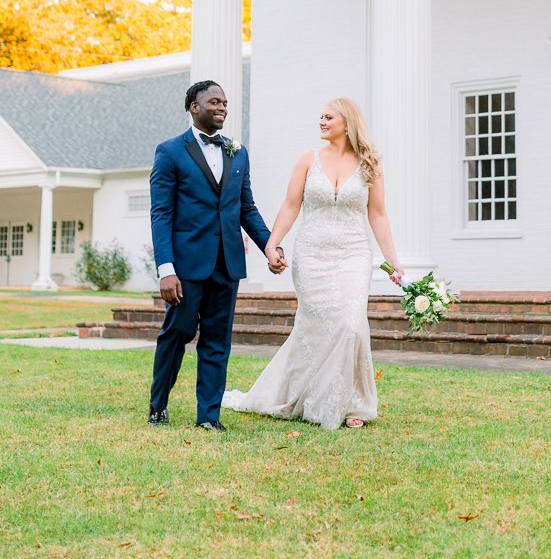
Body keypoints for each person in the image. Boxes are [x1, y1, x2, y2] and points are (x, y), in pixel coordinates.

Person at [222, 97, 403, 432]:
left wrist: (393, 261)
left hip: (352, 253)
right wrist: (271, 243)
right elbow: (291, 205)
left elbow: (378, 215)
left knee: (350, 324)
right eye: (320, 116)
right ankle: (307, 397)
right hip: (312, 254)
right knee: (316, 327)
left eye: (328, 117)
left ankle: (353, 403)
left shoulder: (369, 164)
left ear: (347, 123)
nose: (321, 122)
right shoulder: (308, 159)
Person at [147, 78, 285, 429]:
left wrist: (270, 246)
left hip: (227, 265)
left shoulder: (238, 152)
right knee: (176, 335)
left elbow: (246, 209)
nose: (222, 107)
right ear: (194, 107)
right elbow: (161, 214)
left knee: (216, 343)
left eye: (225, 102)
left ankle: (208, 417)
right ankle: (158, 403)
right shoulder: (170, 152)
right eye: (214, 102)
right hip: (186, 267)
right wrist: (166, 269)